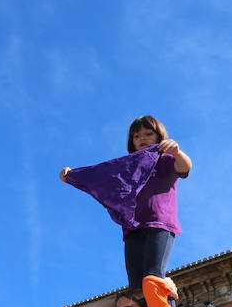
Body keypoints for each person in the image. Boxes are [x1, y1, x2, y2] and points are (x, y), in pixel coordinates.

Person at [59, 115, 193, 294]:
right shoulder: (130, 167)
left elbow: (185, 167)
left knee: (154, 277)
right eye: (137, 136)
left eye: (148, 133)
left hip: (159, 224)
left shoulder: (166, 159)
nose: (142, 138)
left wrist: (176, 151)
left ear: (160, 136)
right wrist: (74, 176)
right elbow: (103, 177)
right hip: (132, 229)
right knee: (136, 286)